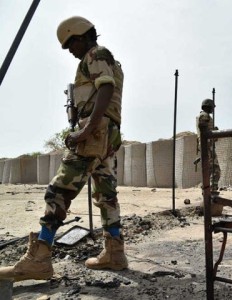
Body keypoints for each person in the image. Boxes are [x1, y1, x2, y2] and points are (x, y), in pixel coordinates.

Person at [0, 16, 127, 282]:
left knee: (58, 192)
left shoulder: (95, 54)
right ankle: (114, 253)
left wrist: (86, 129)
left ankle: (39, 259)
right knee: (107, 196)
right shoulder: (111, 61)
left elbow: (105, 88)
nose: (71, 52)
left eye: (71, 45)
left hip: (94, 135)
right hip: (108, 136)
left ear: (80, 37)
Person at [196, 99, 223, 216]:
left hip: (207, 145)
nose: (213, 109)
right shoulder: (204, 116)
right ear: (208, 107)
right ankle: (211, 193)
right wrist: (213, 132)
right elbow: (203, 129)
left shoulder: (204, 115)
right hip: (207, 146)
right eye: (212, 107)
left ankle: (209, 192)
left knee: (211, 170)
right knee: (215, 171)